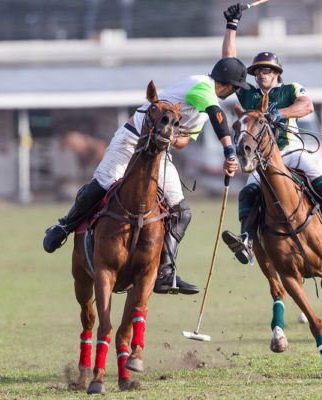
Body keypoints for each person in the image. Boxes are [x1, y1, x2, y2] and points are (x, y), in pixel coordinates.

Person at [43, 57, 249, 295]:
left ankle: (165, 272)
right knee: (102, 185)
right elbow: (217, 116)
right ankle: (63, 228)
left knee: (182, 211)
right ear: (231, 85)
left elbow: (182, 142)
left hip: (159, 152)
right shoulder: (202, 86)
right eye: (236, 87)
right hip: (131, 139)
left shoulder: (201, 111)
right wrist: (230, 152)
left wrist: (169, 138)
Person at [220, 3, 322, 265]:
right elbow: (229, 64)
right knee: (248, 194)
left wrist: (279, 114)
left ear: (277, 73)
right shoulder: (248, 94)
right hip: (262, 160)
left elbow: (307, 106)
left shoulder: (290, 89)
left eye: (267, 70)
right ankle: (246, 241)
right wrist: (232, 26)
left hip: (291, 152)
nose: (262, 75)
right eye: (258, 71)